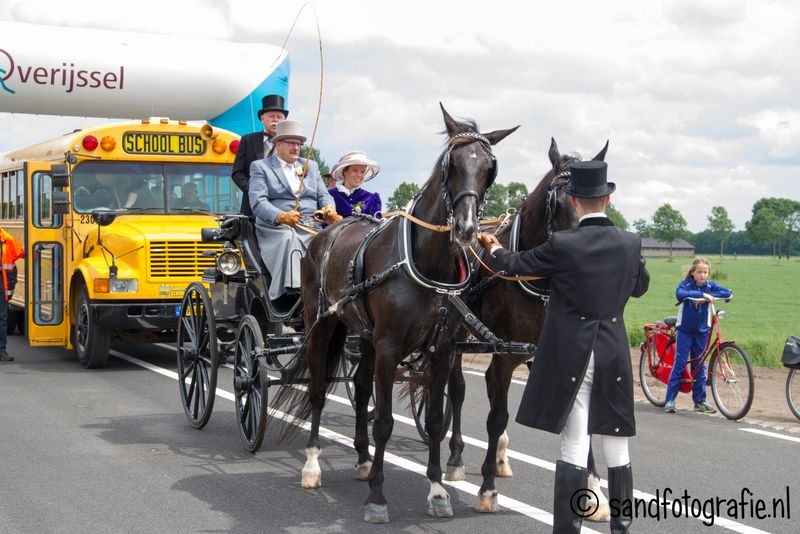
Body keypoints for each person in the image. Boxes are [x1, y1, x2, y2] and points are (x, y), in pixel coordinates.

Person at [479, 160, 649, 534]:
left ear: (573, 201)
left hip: (571, 354)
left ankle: (568, 529)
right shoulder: (631, 243)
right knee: (617, 449)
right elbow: (640, 287)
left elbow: (514, 264)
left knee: (574, 447)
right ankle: (621, 528)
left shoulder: (562, 244)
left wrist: (492, 248)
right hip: (614, 354)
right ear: (607, 198)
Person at [249, 119, 341, 300]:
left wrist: (329, 208)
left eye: (299, 144)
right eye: (291, 143)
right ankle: (294, 289)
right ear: (278, 144)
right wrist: (281, 216)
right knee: (288, 237)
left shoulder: (310, 167)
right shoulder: (261, 167)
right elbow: (258, 202)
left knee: (337, 241)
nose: (296, 148)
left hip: (310, 224)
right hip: (276, 226)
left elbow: (323, 195)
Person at [664, 258, 733, 414]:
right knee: (680, 363)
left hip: (702, 330)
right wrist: (702, 294)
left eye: (705, 272)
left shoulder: (710, 285)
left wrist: (709, 296)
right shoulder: (686, 284)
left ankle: (700, 401)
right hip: (685, 330)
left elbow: (727, 292)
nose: (703, 275)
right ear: (693, 272)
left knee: (700, 365)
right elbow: (680, 294)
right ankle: (670, 399)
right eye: (699, 272)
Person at [231, 94, 289, 216]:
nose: (276, 120)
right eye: (271, 116)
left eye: (279, 117)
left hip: (285, 208)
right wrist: (254, 190)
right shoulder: (248, 140)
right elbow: (237, 172)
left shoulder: (293, 143)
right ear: (262, 118)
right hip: (253, 207)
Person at [328, 150, 382, 218]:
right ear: (345, 171)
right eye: (355, 170)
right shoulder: (331, 195)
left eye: (362, 172)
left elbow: (377, 226)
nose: (359, 175)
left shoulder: (371, 199)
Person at [0, 226, 24, 361]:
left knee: (2, 318)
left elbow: (21, 251)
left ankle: (1, 351)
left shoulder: (6, 240)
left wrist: (39, 245)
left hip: (1, 283)